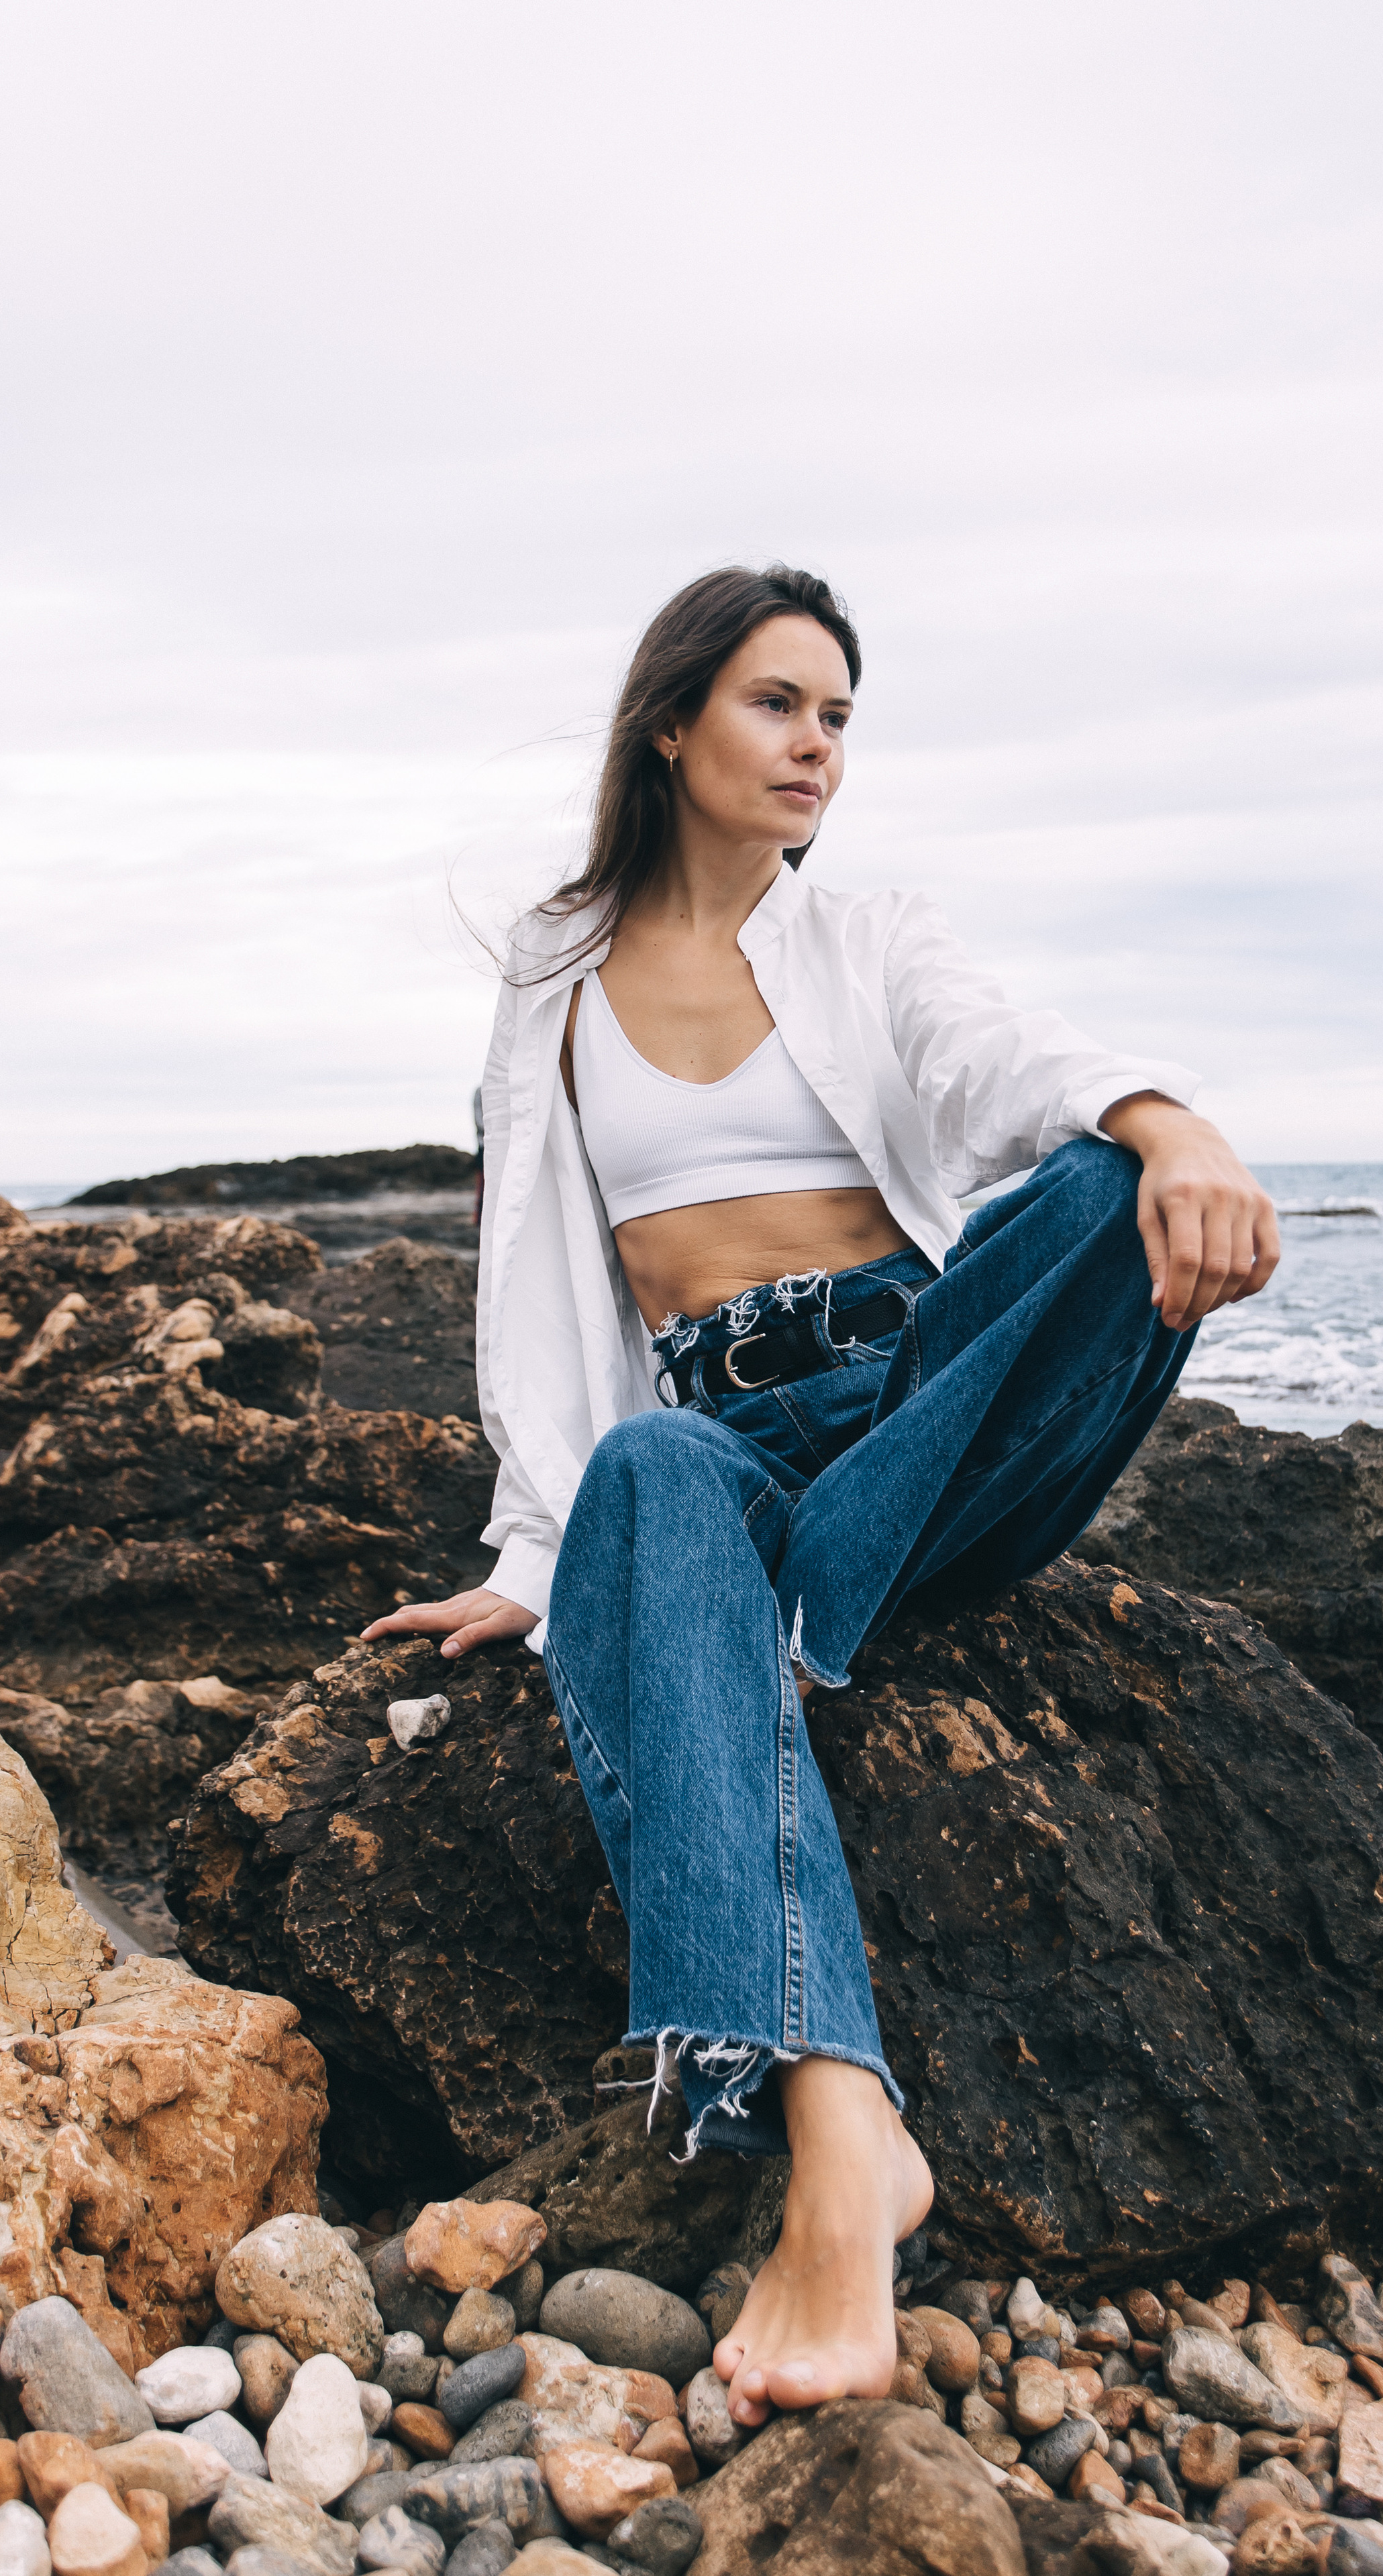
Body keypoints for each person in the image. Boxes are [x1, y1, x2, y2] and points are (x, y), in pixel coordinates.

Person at [364, 564, 1280, 2427]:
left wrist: (1165, 1119)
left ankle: (772, 1606)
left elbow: (1007, 1068)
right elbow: (536, 1288)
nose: (815, 747)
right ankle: (842, 2140)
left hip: (926, 1410)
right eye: (780, 704)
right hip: (717, 1429)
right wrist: (547, 1560)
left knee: (1098, 1196)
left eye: (841, 717)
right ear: (672, 721)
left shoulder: (874, 939)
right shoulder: (554, 971)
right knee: (653, 1470)